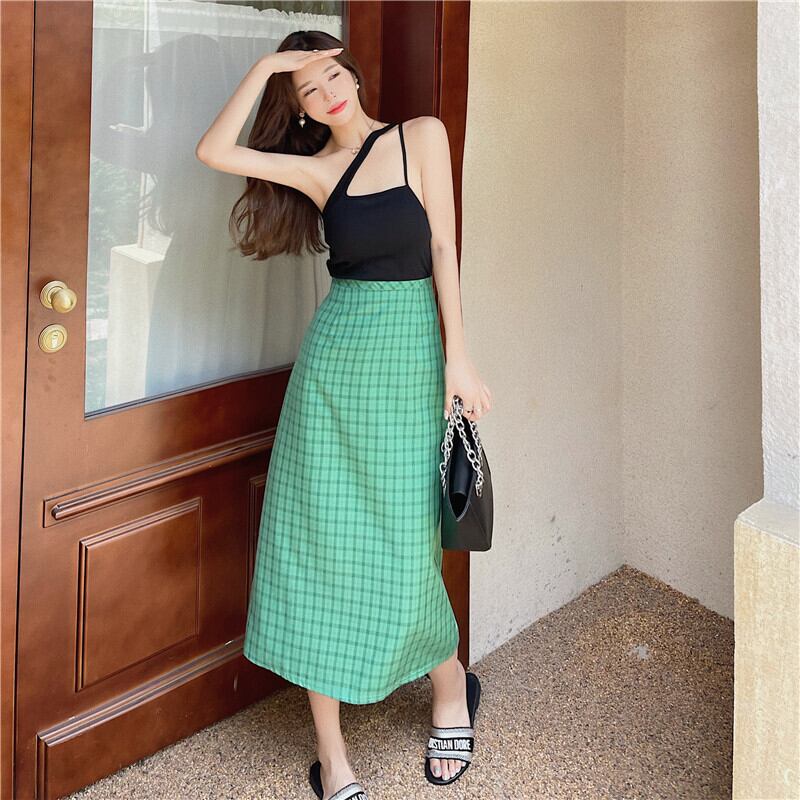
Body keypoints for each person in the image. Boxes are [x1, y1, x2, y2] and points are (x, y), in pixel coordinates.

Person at [195, 29, 492, 800]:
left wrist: (459, 358)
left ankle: (449, 687)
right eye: (308, 89)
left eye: (331, 74)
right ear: (298, 109)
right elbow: (214, 151)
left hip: (411, 364)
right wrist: (270, 67)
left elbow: (443, 247)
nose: (326, 91)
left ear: (354, 75)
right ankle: (333, 759)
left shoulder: (421, 136)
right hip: (332, 374)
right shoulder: (318, 170)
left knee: (406, 545)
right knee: (315, 548)